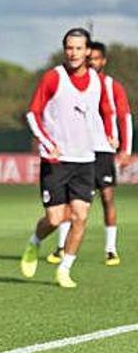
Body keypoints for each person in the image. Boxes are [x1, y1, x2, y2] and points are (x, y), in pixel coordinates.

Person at [20, 28, 114, 288]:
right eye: (69, 48)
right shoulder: (53, 78)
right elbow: (32, 113)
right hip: (56, 161)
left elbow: (105, 110)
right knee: (54, 218)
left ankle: (65, 269)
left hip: (86, 160)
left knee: (80, 217)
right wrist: (48, 143)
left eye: (78, 48)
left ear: (88, 52)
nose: (73, 53)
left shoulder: (96, 80)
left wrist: (109, 134)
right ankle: (35, 243)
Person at [47, 41, 131, 267]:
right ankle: (61, 247)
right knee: (67, 202)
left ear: (103, 61)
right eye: (88, 57)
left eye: (95, 58)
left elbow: (123, 116)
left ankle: (111, 249)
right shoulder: (69, 82)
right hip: (77, 150)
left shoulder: (110, 85)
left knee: (107, 198)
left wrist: (125, 148)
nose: (91, 62)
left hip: (102, 151)